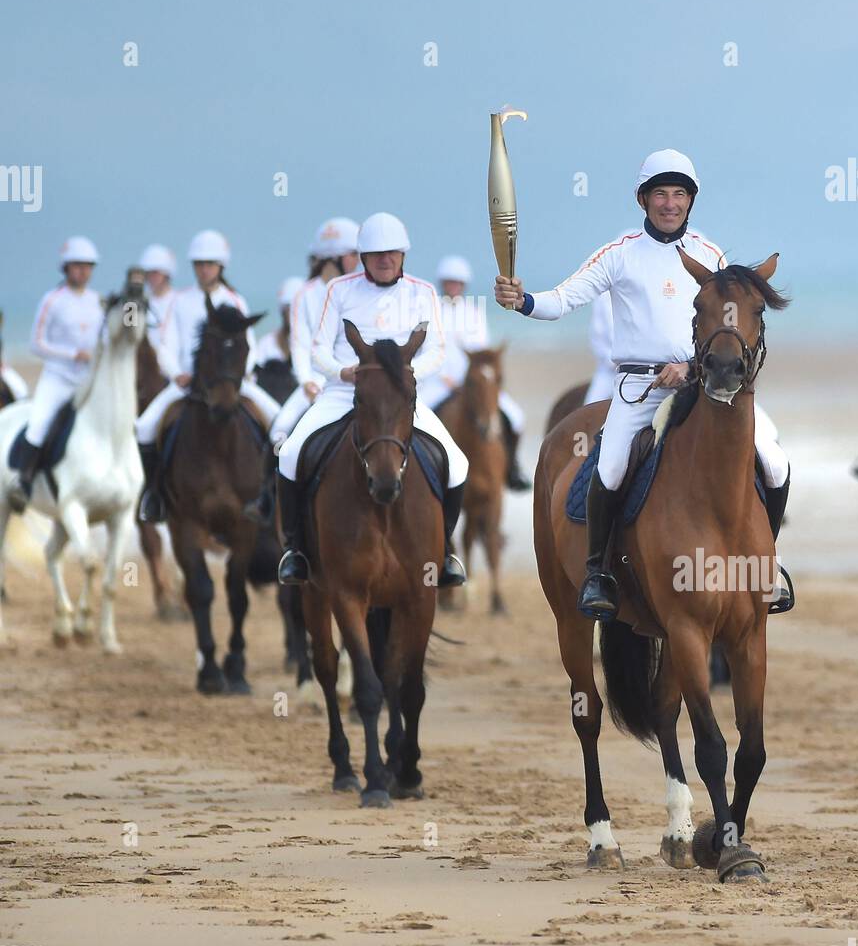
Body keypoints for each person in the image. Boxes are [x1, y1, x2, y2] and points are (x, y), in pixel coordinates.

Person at [494, 149, 792, 620]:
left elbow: (725, 327)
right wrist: (523, 300)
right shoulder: (620, 253)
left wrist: (691, 368)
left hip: (706, 384)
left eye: (679, 194)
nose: (669, 203)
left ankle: (765, 566)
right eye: (660, 193)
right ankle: (598, 573)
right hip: (639, 389)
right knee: (610, 468)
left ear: (690, 201)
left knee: (773, 461)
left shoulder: (710, 255)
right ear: (643, 199)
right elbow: (562, 299)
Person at [275, 212, 468, 587]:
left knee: (457, 462)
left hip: (399, 397)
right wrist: (342, 372)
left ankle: (444, 553)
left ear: (403, 256)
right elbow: (318, 351)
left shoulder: (423, 292)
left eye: (392, 253)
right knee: (289, 453)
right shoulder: (340, 290)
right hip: (344, 393)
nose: (385, 260)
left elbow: (437, 350)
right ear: (362, 257)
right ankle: (295, 550)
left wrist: (408, 376)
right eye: (376, 254)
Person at [136, 229, 280, 521]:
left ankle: (269, 492)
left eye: (210, 264)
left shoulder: (235, 300)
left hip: (231, 382)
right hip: (190, 382)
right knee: (144, 426)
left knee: (278, 419)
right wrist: (176, 374)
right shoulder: (180, 300)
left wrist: (242, 374)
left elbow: (248, 343)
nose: (204, 269)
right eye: (199, 264)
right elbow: (165, 344)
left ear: (220, 267)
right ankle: (153, 495)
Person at [417, 254, 532, 490]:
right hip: (437, 381)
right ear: (442, 283)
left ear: (464, 285)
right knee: (416, 418)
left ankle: (512, 467)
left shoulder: (474, 312)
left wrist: (472, 379)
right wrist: (445, 379)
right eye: (449, 282)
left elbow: (481, 351)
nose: (453, 287)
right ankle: (416, 469)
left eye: (457, 283)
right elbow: (423, 350)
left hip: (472, 382)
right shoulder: (428, 311)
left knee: (516, 417)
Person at [7, 236, 104, 512]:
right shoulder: (52, 300)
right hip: (58, 378)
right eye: (77, 266)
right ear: (66, 268)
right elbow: (35, 344)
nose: (82, 271)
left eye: (87, 266)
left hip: (88, 381)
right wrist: (72, 354)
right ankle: (22, 481)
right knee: (38, 425)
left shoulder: (98, 302)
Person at [269, 217, 360, 446]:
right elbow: (300, 343)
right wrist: (305, 381)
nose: (359, 261)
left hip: (355, 379)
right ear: (334, 257)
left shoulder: (360, 290)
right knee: (279, 430)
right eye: (353, 254)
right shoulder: (304, 294)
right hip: (316, 381)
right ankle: (272, 483)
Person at [139, 243, 178, 378]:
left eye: (156, 273)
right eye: (148, 273)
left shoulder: (180, 300)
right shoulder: (134, 303)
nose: (152, 277)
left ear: (167, 274)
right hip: (145, 373)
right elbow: (128, 331)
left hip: (176, 372)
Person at [256, 277, 305, 365]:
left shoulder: (315, 346)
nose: (294, 312)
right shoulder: (266, 345)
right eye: (289, 307)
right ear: (282, 310)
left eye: (299, 307)